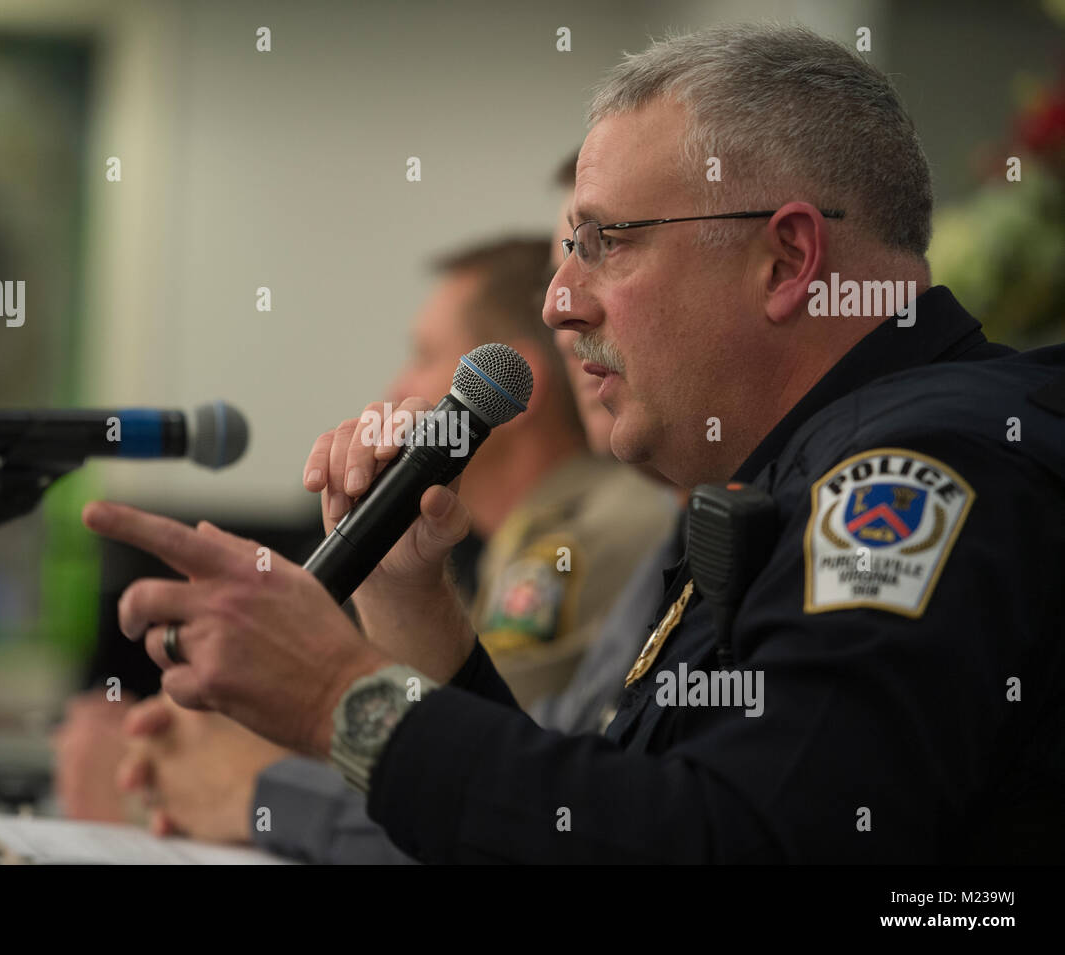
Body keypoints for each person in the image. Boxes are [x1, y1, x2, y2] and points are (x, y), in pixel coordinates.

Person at [82, 24, 1065, 863]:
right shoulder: (780, 481)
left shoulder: (921, 476)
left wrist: (339, 699)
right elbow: (610, 822)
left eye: (608, 243)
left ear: (786, 257)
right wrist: (407, 598)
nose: (559, 302)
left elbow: (744, 841)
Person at [67, 236, 673, 835]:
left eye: (424, 355)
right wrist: (395, 589)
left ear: (518, 383)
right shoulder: (513, 536)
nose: (394, 389)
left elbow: (475, 766)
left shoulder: (586, 535)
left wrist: (240, 776)